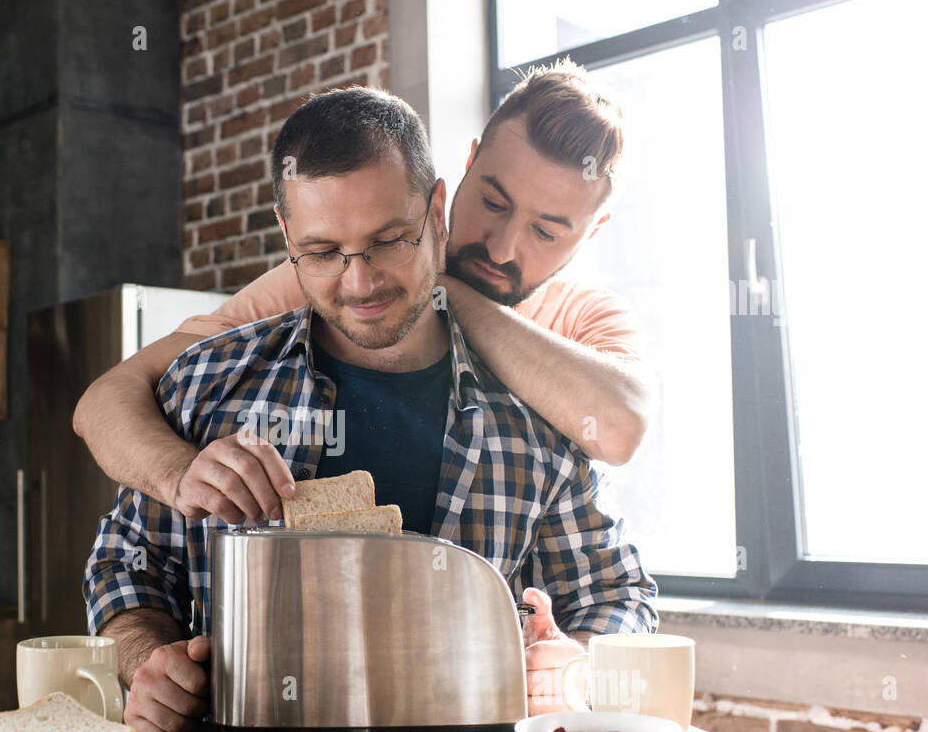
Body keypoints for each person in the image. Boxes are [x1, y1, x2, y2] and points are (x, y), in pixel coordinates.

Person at [83, 86, 657, 732]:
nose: (359, 284)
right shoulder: (214, 378)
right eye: (323, 252)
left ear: (434, 212)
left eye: (390, 241)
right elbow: (125, 562)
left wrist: (575, 662)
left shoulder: (545, 403)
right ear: (287, 237)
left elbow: (619, 595)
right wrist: (146, 658)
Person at [73, 59, 653, 531]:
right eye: (494, 203)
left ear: (592, 232)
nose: (500, 247)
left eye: (546, 231)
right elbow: (105, 399)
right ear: (469, 164)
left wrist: (443, 288)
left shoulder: (588, 319)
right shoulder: (356, 275)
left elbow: (620, 430)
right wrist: (180, 476)